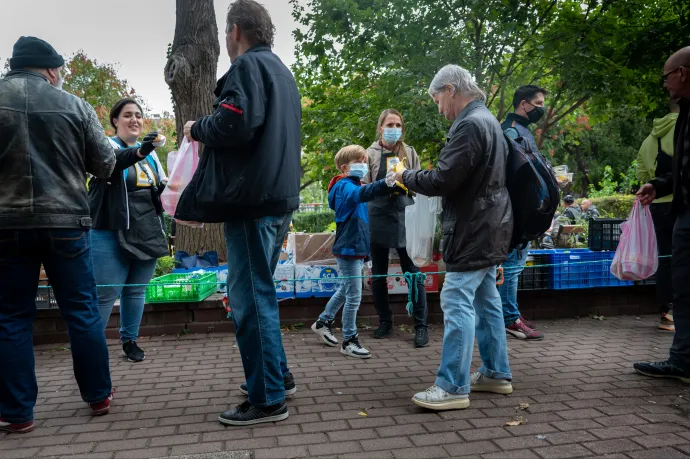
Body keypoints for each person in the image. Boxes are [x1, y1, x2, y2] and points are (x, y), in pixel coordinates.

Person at [177, 0, 302, 425]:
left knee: (249, 300)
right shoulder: (282, 73)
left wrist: (198, 128)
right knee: (260, 292)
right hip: (276, 200)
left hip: (251, 202)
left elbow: (234, 123)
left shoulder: (248, 68)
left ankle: (267, 399)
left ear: (234, 32)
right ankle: (277, 378)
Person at [0, 36, 117, 433]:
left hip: (6, 224)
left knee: (11, 317)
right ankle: (98, 396)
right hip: (67, 222)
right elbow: (104, 164)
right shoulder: (74, 105)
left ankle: (17, 414)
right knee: (81, 311)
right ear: (51, 70)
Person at [395, 65, 513, 410]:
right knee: (487, 299)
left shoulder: (469, 125)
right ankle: (495, 372)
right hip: (491, 226)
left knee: (456, 298)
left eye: (436, 100)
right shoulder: (488, 120)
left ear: (450, 89)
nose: (438, 108)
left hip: (472, 227)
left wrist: (406, 175)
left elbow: (444, 179)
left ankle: (452, 386)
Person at [88, 98, 168, 363]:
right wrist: (141, 150)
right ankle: (92, 347)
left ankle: (130, 340)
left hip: (146, 228)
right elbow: (114, 164)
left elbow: (161, 185)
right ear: (115, 121)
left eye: (138, 115)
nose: (134, 120)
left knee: (135, 289)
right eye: (127, 115)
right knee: (106, 292)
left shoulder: (152, 154)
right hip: (110, 229)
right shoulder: (106, 147)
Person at [635, 46, 690, 383]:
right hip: (682, 210)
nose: (665, 83)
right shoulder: (685, 112)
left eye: (666, 76)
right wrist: (660, 183)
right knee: (683, 287)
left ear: (682, 73)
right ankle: (683, 360)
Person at [311, 145, 395, 358]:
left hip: (354, 248)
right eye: (360, 161)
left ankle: (323, 322)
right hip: (348, 249)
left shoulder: (352, 184)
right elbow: (361, 193)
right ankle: (349, 340)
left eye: (365, 161)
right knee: (354, 296)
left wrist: (365, 255)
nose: (364, 165)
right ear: (345, 167)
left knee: (345, 289)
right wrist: (384, 183)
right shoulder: (345, 186)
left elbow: (361, 221)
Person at [362, 109, 429, 347]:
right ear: (380, 127)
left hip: (405, 215)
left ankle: (421, 326)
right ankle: (385, 322)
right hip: (378, 214)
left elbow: (420, 182)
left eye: (398, 124)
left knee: (412, 271)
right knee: (379, 274)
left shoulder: (409, 152)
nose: (395, 128)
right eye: (390, 124)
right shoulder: (368, 153)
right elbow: (364, 187)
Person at [499, 86, 548, 341]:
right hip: (515, 213)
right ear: (524, 104)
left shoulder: (520, 130)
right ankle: (509, 319)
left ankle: (512, 313)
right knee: (511, 266)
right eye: (538, 102)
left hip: (524, 212)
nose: (542, 108)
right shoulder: (510, 131)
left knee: (515, 266)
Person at [636, 98, 680, 332]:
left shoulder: (649, 139)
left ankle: (667, 312)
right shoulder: (683, 129)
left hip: (656, 205)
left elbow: (641, 171)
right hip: (680, 203)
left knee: (664, 258)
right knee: (681, 258)